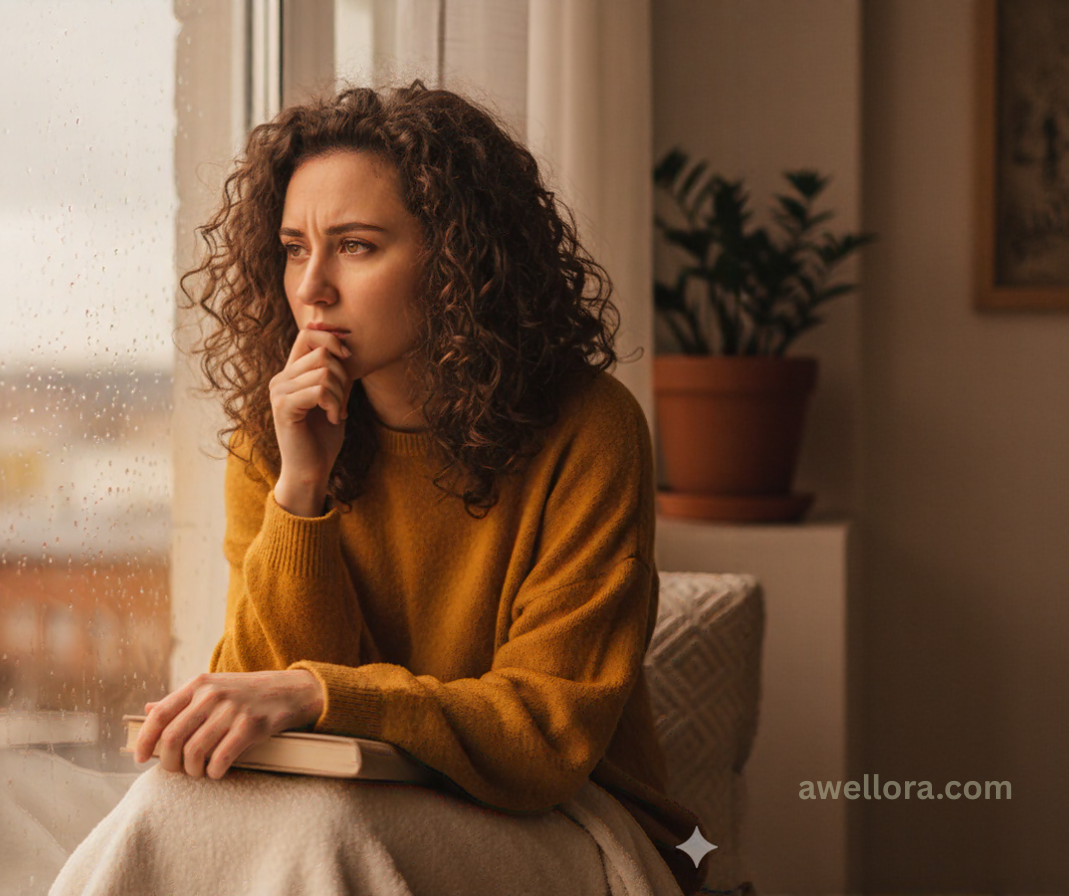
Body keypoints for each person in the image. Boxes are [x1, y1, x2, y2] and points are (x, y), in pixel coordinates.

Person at [56, 82, 704, 895]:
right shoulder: (281, 435)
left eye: (355, 246)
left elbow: (547, 735)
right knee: (166, 803)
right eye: (295, 247)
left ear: (461, 260)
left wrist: (321, 694)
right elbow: (257, 720)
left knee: (326, 830)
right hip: (344, 800)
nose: (311, 287)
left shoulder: (590, 427)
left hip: (573, 820)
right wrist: (302, 491)